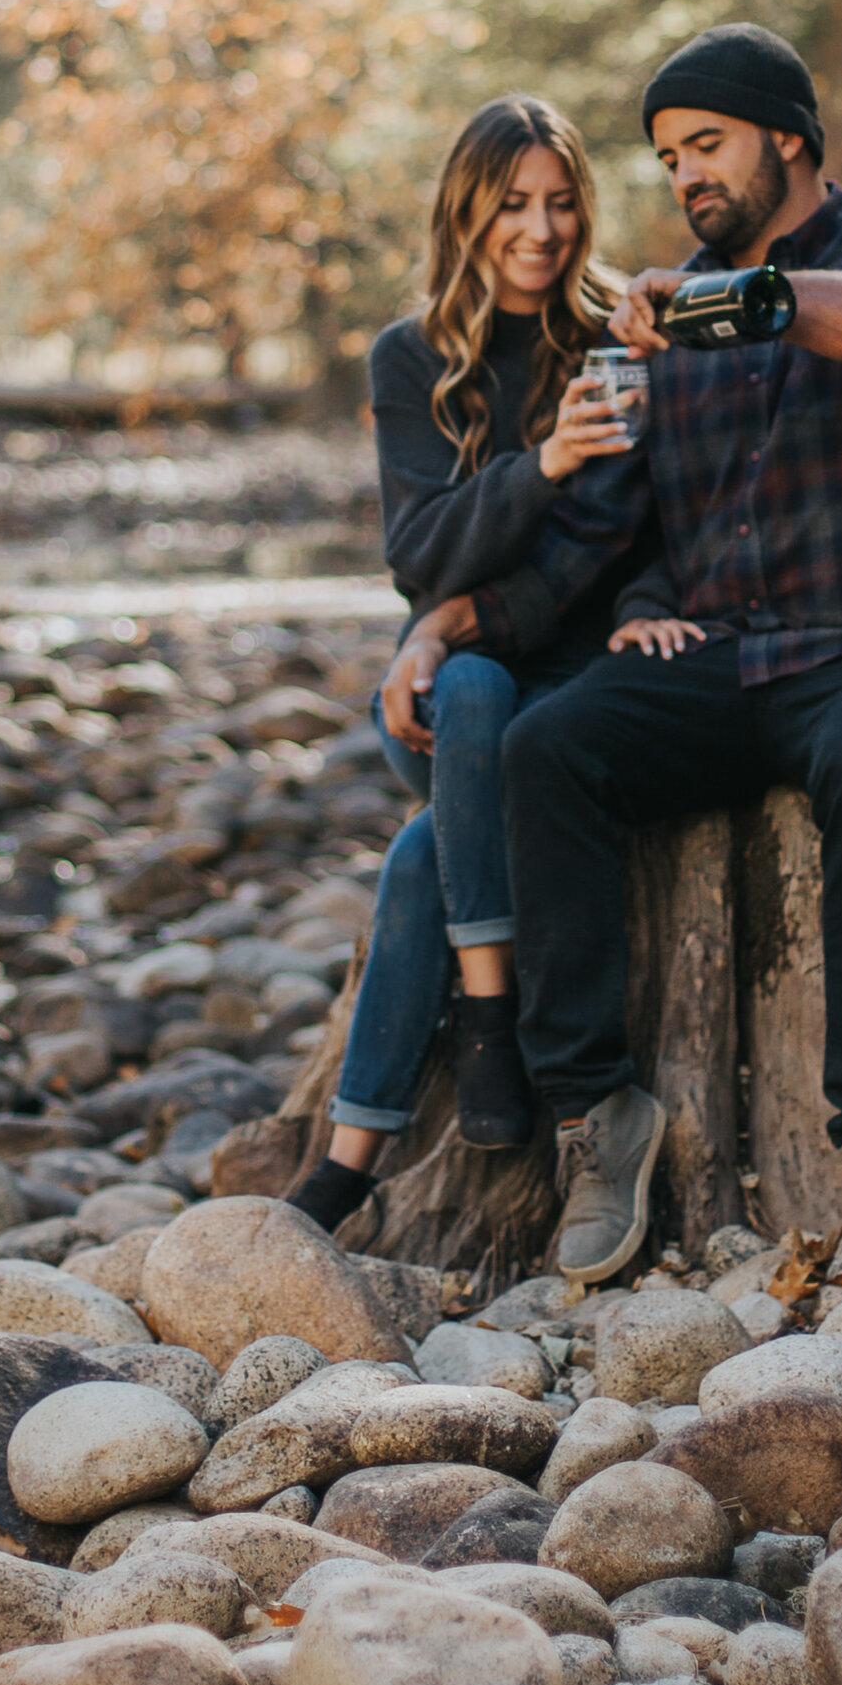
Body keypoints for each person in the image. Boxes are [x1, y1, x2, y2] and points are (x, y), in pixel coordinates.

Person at [390, 22, 842, 1285]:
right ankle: (597, 1109)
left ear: (789, 138)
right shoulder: (659, 335)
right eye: (667, 160)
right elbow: (585, 549)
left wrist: (747, 305)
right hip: (728, 664)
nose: (684, 181)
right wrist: (441, 629)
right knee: (549, 745)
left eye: (705, 148)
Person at [283, 96, 634, 1237]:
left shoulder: (622, 339)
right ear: (466, 215)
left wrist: (455, 618)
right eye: (512, 207)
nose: (540, 230)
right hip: (440, 700)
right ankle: (492, 1018)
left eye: (560, 202)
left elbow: (615, 552)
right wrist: (541, 468)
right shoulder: (411, 358)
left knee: (423, 858)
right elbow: (417, 552)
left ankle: (344, 1163)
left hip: (571, 692)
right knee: (472, 690)